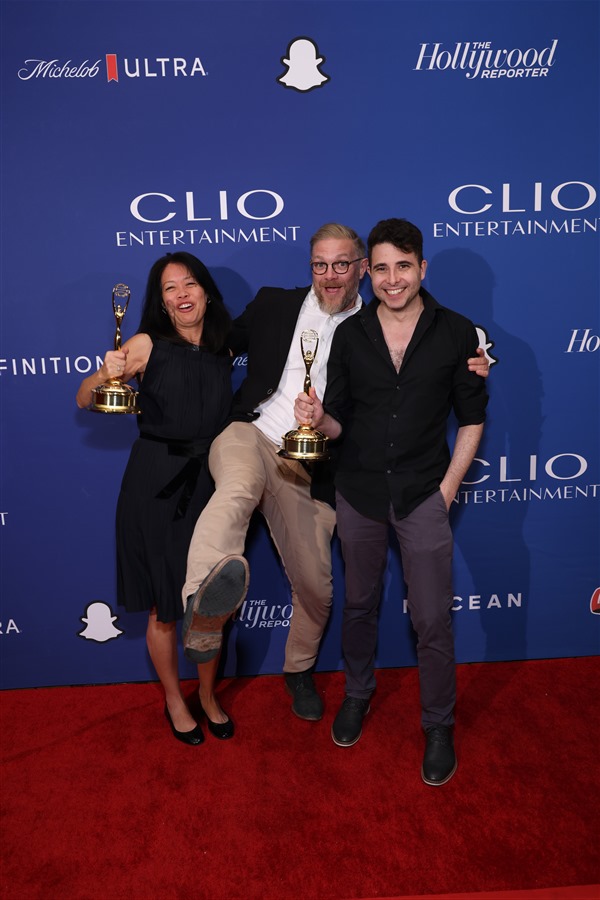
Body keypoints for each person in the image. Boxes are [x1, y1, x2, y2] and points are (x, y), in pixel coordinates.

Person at [182, 223, 489, 723]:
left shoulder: (384, 328)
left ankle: (300, 671)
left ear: (361, 269)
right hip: (253, 434)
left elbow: (431, 392)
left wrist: (478, 362)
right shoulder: (278, 304)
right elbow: (214, 340)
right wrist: (159, 335)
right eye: (320, 265)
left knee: (319, 589)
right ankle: (200, 602)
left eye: (342, 264)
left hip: (316, 465)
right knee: (237, 489)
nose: (330, 275)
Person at [294, 218, 488, 784]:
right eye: (380, 268)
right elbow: (339, 423)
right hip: (358, 491)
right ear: (367, 272)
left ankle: (438, 724)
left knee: (431, 618)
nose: (392, 278)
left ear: (421, 268)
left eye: (403, 266)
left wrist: (447, 490)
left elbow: (473, 419)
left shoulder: (457, 333)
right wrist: (317, 419)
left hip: (424, 492)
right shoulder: (350, 335)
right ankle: (357, 693)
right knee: (359, 604)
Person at [76, 251, 244, 745]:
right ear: (162, 301)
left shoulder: (223, 346)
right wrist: (105, 374)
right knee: (164, 607)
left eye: (190, 283)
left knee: (210, 602)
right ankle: (174, 699)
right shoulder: (146, 343)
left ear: (206, 291)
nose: (182, 294)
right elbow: (83, 398)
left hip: (209, 483)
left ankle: (208, 695)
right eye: (171, 288)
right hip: (154, 483)